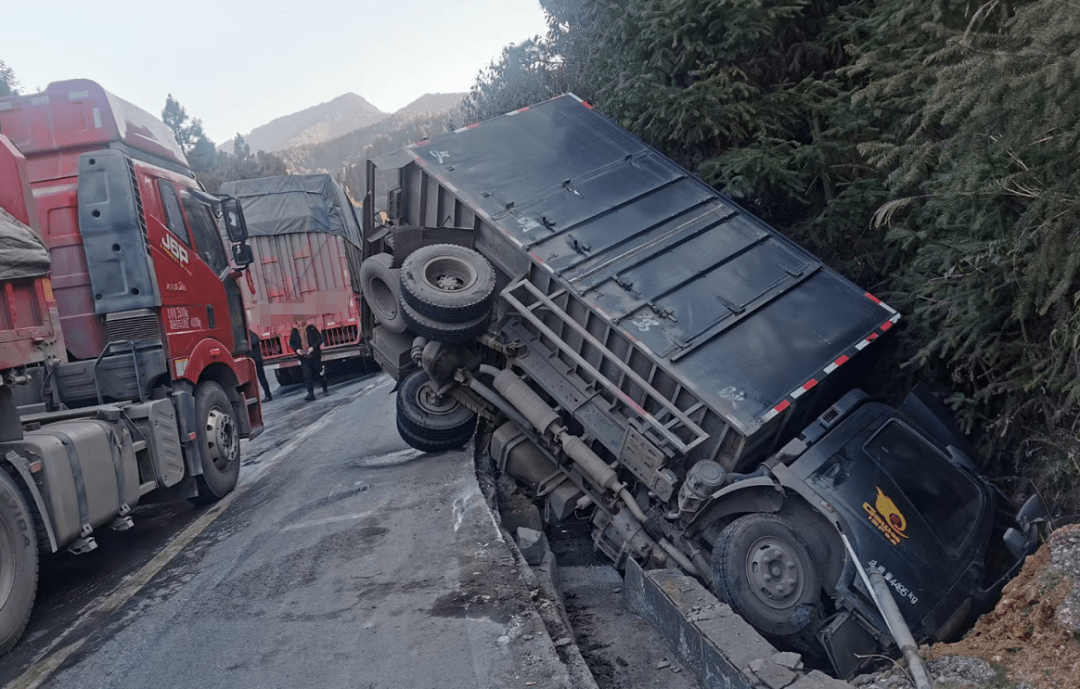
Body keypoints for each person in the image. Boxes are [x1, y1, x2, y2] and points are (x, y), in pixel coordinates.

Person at [289, 318, 328, 402]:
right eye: (298, 320)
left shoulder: (311, 328)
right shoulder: (295, 331)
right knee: (307, 375)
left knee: (318, 372)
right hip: (303, 357)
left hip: (314, 355)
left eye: (301, 320)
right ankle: (310, 393)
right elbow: (291, 342)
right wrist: (297, 350)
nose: (300, 321)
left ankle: (325, 389)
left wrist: (313, 348)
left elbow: (320, 338)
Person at [249, 329, 272, 402]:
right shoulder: (252, 335)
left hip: (256, 360)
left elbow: (254, 343)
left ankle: (268, 395)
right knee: (259, 379)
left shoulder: (252, 336)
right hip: (253, 360)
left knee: (261, 379)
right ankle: (266, 395)